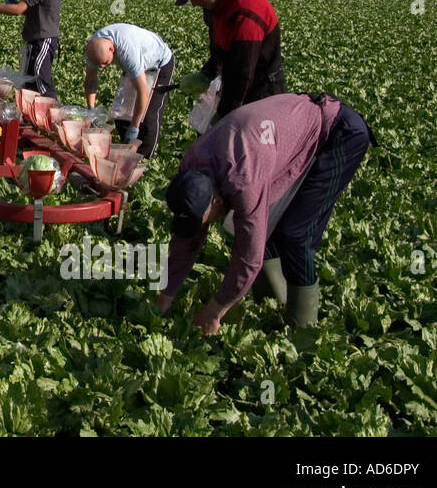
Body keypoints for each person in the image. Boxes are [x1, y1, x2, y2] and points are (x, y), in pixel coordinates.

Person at [158, 93, 374, 333]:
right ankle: (273, 305)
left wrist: (214, 312)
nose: (201, 228)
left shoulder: (244, 180)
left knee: (295, 235)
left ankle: (302, 333)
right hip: (272, 139)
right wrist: (166, 295)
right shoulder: (192, 164)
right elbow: (186, 238)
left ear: (217, 200)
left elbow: (249, 258)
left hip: (339, 132)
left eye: (203, 220)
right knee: (265, 230)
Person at [176, 0, 285, 121]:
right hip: (236, 85)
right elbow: (221, 51)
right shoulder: (218, 6)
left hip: (261, 93)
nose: (192, 4)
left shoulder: (244, 11)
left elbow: (242, 72)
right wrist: (206, 73)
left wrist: (225, 115)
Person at [177, 0, 265, 96]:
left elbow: (248, 47)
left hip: (251, 71)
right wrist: (208, 73)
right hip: (227, 65)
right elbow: (217, 34)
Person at [83, 23, 174, 158]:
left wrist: (134, 127)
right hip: (135, 66)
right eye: (99, 64)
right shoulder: (94, 49)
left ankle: (143, 160)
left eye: (105, 63)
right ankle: (126, 151)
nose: (102, 67)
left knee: (148, 117)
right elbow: (90, 81)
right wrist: (91, 110)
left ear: (111, 49)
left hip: (159, 63)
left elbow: (143, 92)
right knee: (122, 114)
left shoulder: (128, 53)